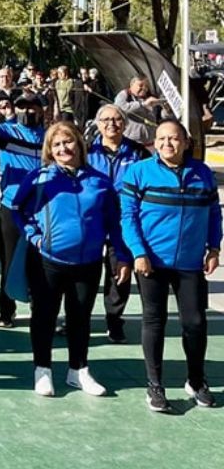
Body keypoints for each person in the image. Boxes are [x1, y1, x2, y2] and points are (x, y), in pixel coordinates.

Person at [121, 119, 222, 413]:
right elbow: (128, 216)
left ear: (186, 142)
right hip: (152, 262)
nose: (167, 144)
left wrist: (214, 247)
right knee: (155, 321)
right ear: (154, 143)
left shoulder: (202, 174)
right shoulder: (139, 172)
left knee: (195, 322)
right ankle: (155, 384)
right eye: (162, 139)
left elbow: (214, 214)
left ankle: (196, 380)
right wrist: (139, 252)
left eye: (174, 139)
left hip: (190, 263)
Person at [14, 122, 121, 397]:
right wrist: (35, 237)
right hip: (48, 261)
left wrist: (120, 255)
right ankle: (42, 370)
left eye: (68, 142)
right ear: (50, 150)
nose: (64, 148)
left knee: (80, 318)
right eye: (57, 144)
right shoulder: (39, 177)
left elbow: (113, 222)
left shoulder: (100, 182)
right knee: (44, 316)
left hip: (87, 263)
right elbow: (18, 209)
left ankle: (78, 370)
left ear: (80, 144)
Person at [0, 87, 46, 327]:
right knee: (8, 260)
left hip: (43, 209)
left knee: (42, 262)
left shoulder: (49, 136)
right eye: (22, 106)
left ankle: (41, 309)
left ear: (41, 108)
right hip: (13, 206)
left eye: (32, 105)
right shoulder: (7, 132)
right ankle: (6, 310)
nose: (27, 110)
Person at [86, 104, 145, 343]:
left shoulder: (138, 153)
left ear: (125, 123)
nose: (112, 124)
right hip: (91, 220)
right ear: (98, 124)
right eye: (106, 119)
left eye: (117, 119)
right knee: (83, 274)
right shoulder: (87, 151)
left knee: (119, 272)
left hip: (123, 221)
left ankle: (114, 321)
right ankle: (76, 320)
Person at [114, 76, 164, 145]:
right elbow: (119, 109)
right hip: (130, 141)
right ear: (132, 85)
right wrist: (143, 104)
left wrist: (166, 110)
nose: (144, 88)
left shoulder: (151, 98)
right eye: (140, 85)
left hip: (150, 143)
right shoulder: (124, 94)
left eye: (146, 86)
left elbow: (160, 117)